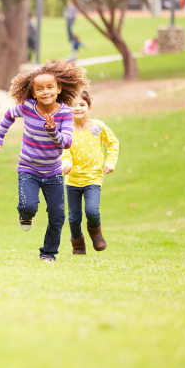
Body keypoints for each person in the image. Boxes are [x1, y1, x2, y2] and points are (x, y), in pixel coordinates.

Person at [0, 59, 89, 261]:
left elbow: (66, 142)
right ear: (33, 93)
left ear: (59, 89)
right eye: (39, 89)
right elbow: (8, 114)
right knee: (28, 206)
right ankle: (24, 214)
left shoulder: (65, 114)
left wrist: (52, 132)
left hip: (53, 172)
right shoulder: (27, 108)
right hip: (28, 169)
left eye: (50, 87)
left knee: (58, 217)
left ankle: (48, 253)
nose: (45, 92)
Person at [62, 91, 119, 254]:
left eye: (81, 105)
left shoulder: (97, 127)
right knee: (74, 217)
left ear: (89, 108)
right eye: (73, 105)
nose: (77, 108)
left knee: (92, 211)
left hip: (93, 179)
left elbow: (113, 142)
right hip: (72, 181)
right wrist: (66, 164)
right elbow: (64, 151)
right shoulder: (66, 131)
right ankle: (78, 245)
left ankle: (96, 234)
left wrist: (110, 162)